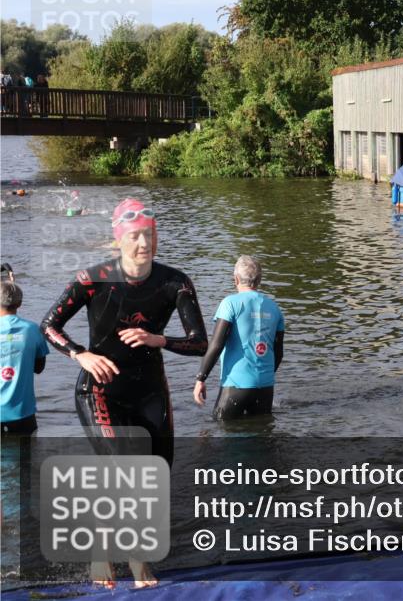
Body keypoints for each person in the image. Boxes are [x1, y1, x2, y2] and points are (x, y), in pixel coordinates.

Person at [40, 198, 207, 588]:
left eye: (149, 235)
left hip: (149, 390)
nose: (143, 244)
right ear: (119, 240)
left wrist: (157, 338)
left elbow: (200, 343)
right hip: (100, 391)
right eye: (135, 237)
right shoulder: (92, 278)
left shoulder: (175, 282)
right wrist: (80, 354)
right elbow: (49, 325)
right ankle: (118, 557)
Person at [193, 256, 284, 420]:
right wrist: (265, 375)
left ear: (235, 279)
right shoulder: (275, 308)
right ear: (259, 280)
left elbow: (216, 344)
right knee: (261, 437)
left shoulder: (230, 304)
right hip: (265, 387)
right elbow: (278, 353)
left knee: (220, 429)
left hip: (235, 385)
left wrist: (201, 378)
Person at [1, 269, 49, 435]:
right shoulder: (32, 329)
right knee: (25, 459)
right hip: (22, 414)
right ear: (20, 304)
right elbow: (39, 368)